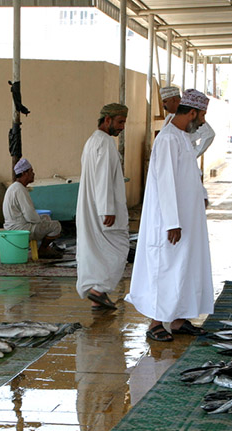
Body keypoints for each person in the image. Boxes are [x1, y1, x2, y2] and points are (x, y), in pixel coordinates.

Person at [127, 89, 214, 342]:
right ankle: (155, 322)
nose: (203, 120)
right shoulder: (167, 139)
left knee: (184, 267)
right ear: (194, 113)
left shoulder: (182, 136)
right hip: (169, 220)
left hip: (187, 217)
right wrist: (172, 222)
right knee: (164, 267)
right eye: (202, 115)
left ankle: (178, 320)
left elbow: (187, 175)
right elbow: (165, 183)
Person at [75, 103, 130, 311]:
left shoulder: (92, 141)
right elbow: (103, 177)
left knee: (97, 250)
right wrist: (107, 209)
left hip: (91, 206)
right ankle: (98, 290)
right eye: (120, 122)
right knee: (118, 247)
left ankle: (97, 294)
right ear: (107, 120)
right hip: (103, 209)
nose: (122, 127)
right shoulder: (105, 142)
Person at [2, 158, 63, 259]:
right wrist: (40, 219)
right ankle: (43, 249)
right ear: (24, 173)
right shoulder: (20, 189)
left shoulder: (13, 187)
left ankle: (43, 248)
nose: (33, 174)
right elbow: (31, 216)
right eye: (31, 171)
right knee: (56, 226)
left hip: (13, 226)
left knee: (45, 218)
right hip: (21, 229)